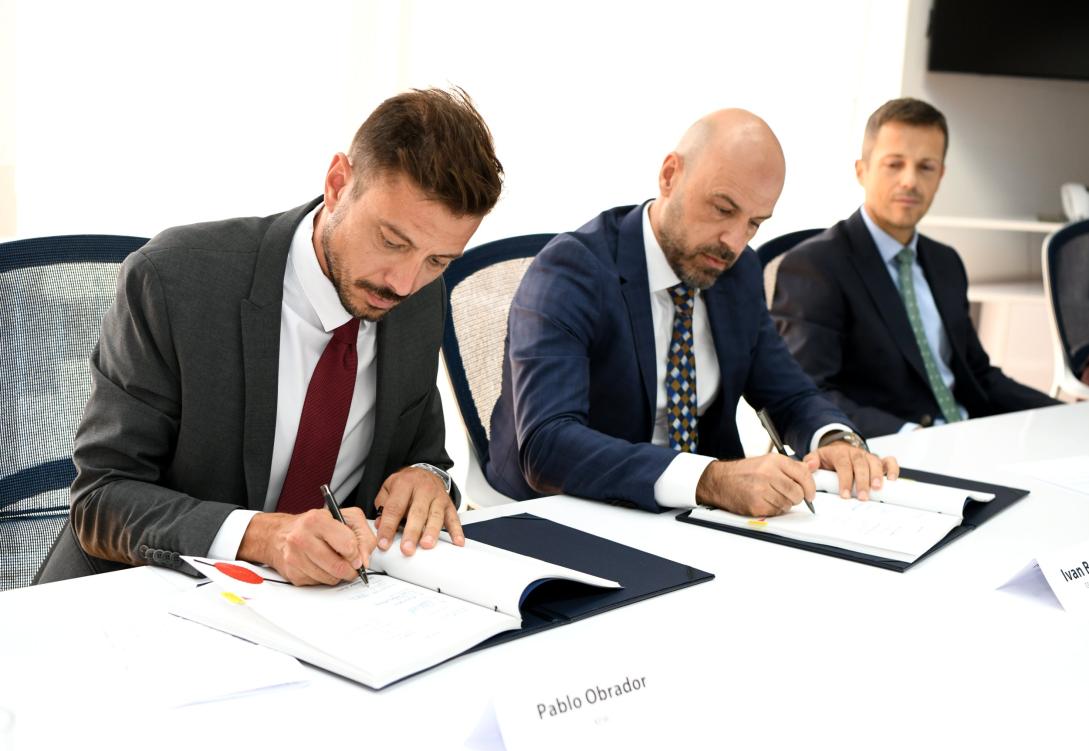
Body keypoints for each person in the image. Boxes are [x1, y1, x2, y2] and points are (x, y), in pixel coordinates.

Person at [36, 87, 504, 586]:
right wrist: (264, 537)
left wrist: (428, 480)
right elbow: (103, 497)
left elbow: (423, 456)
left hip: (324, 602)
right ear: (338, 184)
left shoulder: (420, 300)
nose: (404, 283)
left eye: (437, 261)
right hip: (139, 593)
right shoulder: (175, 280)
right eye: (391, 241)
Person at [485, 109, 897, 518]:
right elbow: (548, 445)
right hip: (572, 510)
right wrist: (708, 479)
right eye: (723, 209)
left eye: (754, 223)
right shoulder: (571, 271)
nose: (734, 242)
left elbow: (789, 393)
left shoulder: (738, 272)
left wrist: (834, 439)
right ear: (670, 176)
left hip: (695, 515)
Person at [771, 98, 1059, 437]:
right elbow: (807, 394)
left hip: (968, 435)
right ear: (862, 171)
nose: (910, 180)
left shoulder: (946, 262)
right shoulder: (816, 266)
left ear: (940, 176)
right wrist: (913, 435)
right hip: (891, 447)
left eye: (926, 167)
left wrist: (1068, 414)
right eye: (894, 164)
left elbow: (978, 376)